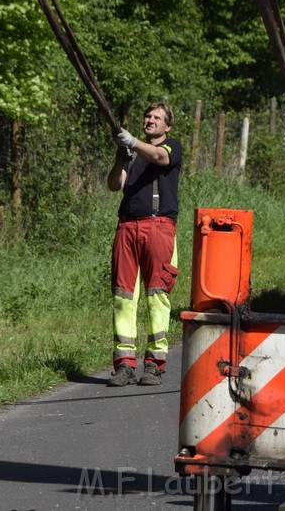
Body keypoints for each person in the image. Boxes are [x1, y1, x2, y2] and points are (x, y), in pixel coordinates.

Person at [106, 102, 183, 387]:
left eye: (157, 118)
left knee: (156, 296)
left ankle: (154, 364)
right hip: (126, 227)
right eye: (148, 116)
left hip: (158, 226)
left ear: (167, 126)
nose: (150, 120)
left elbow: (160, 158)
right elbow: (115, 184)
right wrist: (119, 158)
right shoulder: (132, 154)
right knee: (123, 297)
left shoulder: (172, 146)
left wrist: (133, 142)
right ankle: (124, 365)